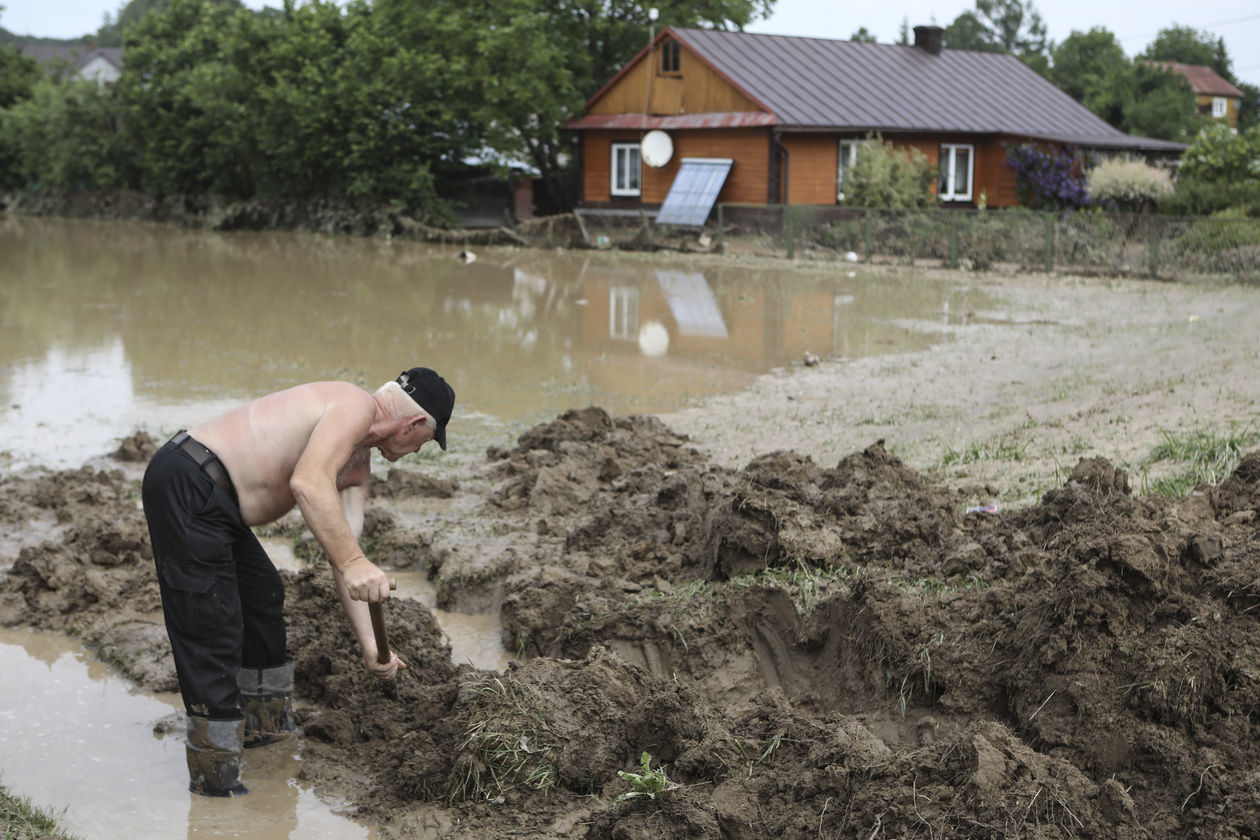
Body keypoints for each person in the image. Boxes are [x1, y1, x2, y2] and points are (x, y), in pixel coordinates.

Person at [141, 367, 455, 797]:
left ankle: (265, 733)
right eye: (425, 442)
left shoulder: (356, 463)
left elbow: (345, 559)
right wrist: (353, 561)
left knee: (264, 595)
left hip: (218, 504)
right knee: (211, 622)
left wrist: (370, 647)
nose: (419, 451)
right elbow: (308, 483)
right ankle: (215, 784)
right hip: (187, 479)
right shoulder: (354, 405)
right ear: (414, 424)